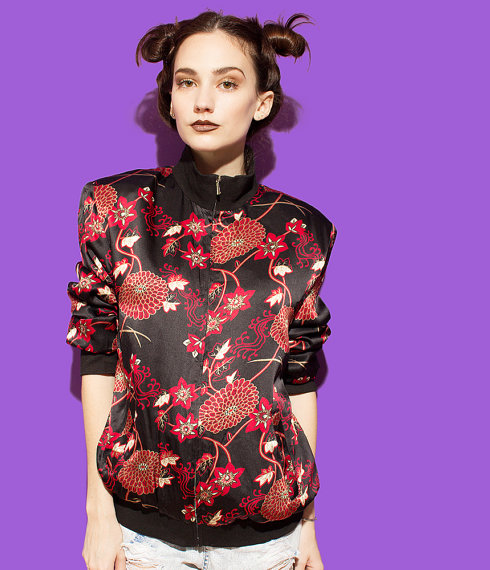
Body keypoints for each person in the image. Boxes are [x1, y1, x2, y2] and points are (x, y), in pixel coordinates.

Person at [66, 9, 337, 570]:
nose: (203, 101)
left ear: (261, 102)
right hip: (141, 535)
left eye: (227, 83)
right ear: (170, 100)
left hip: (268, 540)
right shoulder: (117, 209)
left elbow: (299, 375)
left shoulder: (302, 230)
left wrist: (308, 525)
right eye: (187, 82)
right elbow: (97, 355)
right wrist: (99, 510)